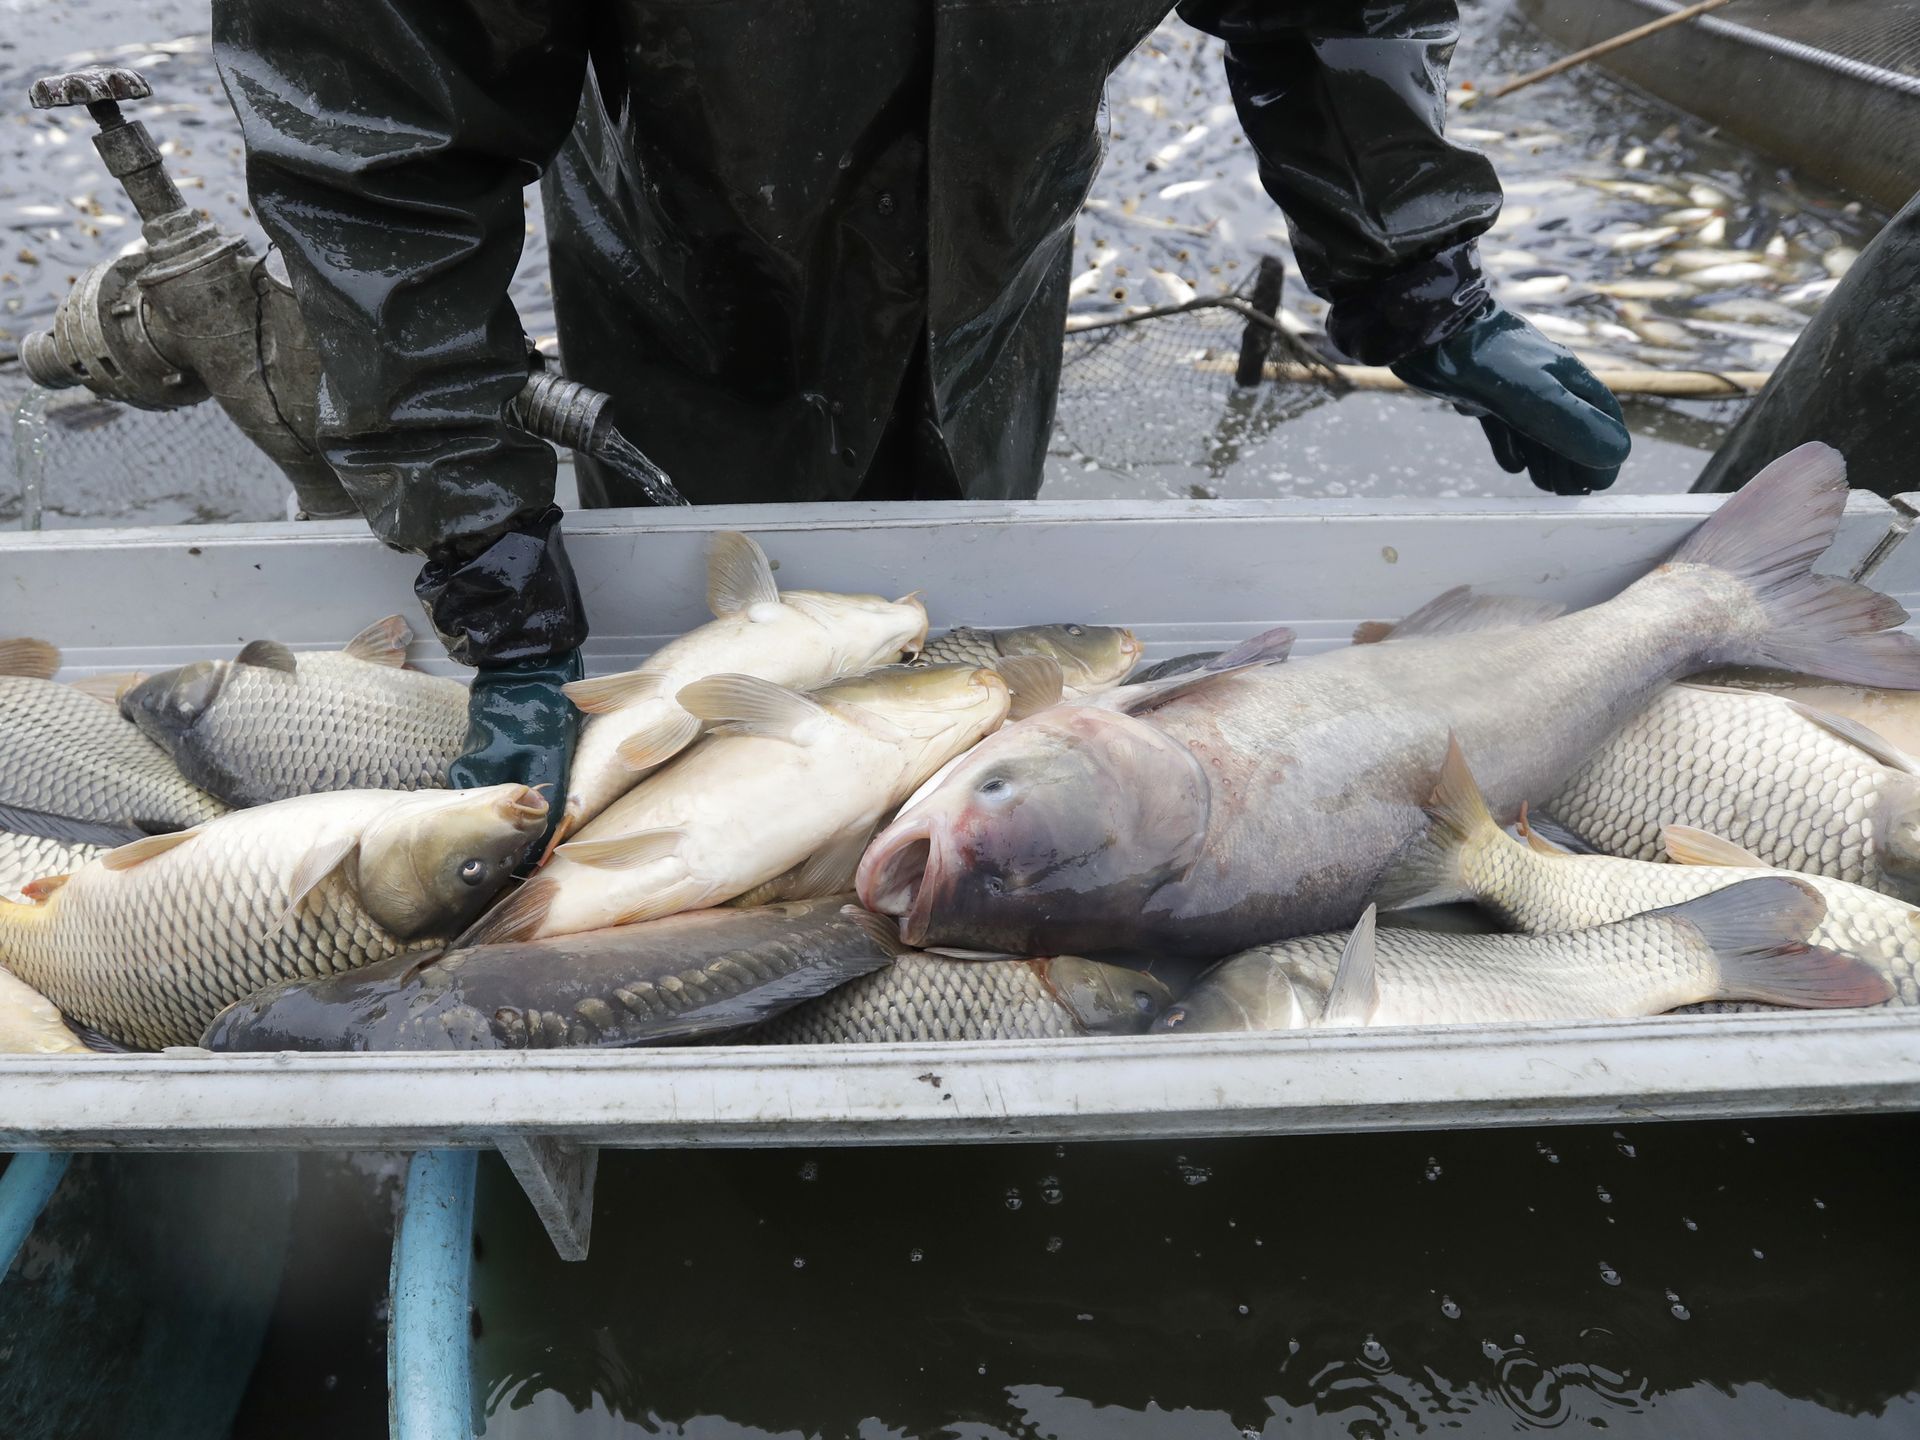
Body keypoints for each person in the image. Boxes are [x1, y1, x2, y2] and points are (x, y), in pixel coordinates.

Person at [212, 1, 1632, 829]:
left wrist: (1413, 263)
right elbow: (374, 145)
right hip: (688, 264)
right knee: (709, 657)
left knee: (963, 642)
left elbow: (1339, 8)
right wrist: (478, 533)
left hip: (992, 267)